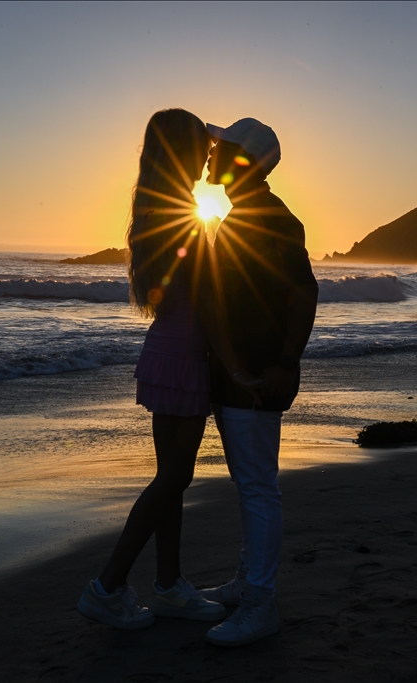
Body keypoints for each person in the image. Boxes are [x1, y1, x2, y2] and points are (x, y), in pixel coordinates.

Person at [77, 109, 256, 629]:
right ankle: (106, 587)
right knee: (174, 478)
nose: (208, 155)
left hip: (164, 353)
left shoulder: (156, 210)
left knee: (171, 478)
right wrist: (237, 368)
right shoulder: (183, 217)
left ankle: (169, 584)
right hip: (182, 357)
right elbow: (208, 307)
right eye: (201, 147)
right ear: (182, 151)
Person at [198, 118, 319, 646]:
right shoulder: (246, 215)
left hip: (256, 376)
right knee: (251, 485)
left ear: (244, 161)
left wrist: (285, 363)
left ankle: (260, 602)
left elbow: (303, 294)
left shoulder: (271, 219)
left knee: (258, 488)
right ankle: (250, 582)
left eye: (219, 149)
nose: (209, 156)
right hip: (242, 375)